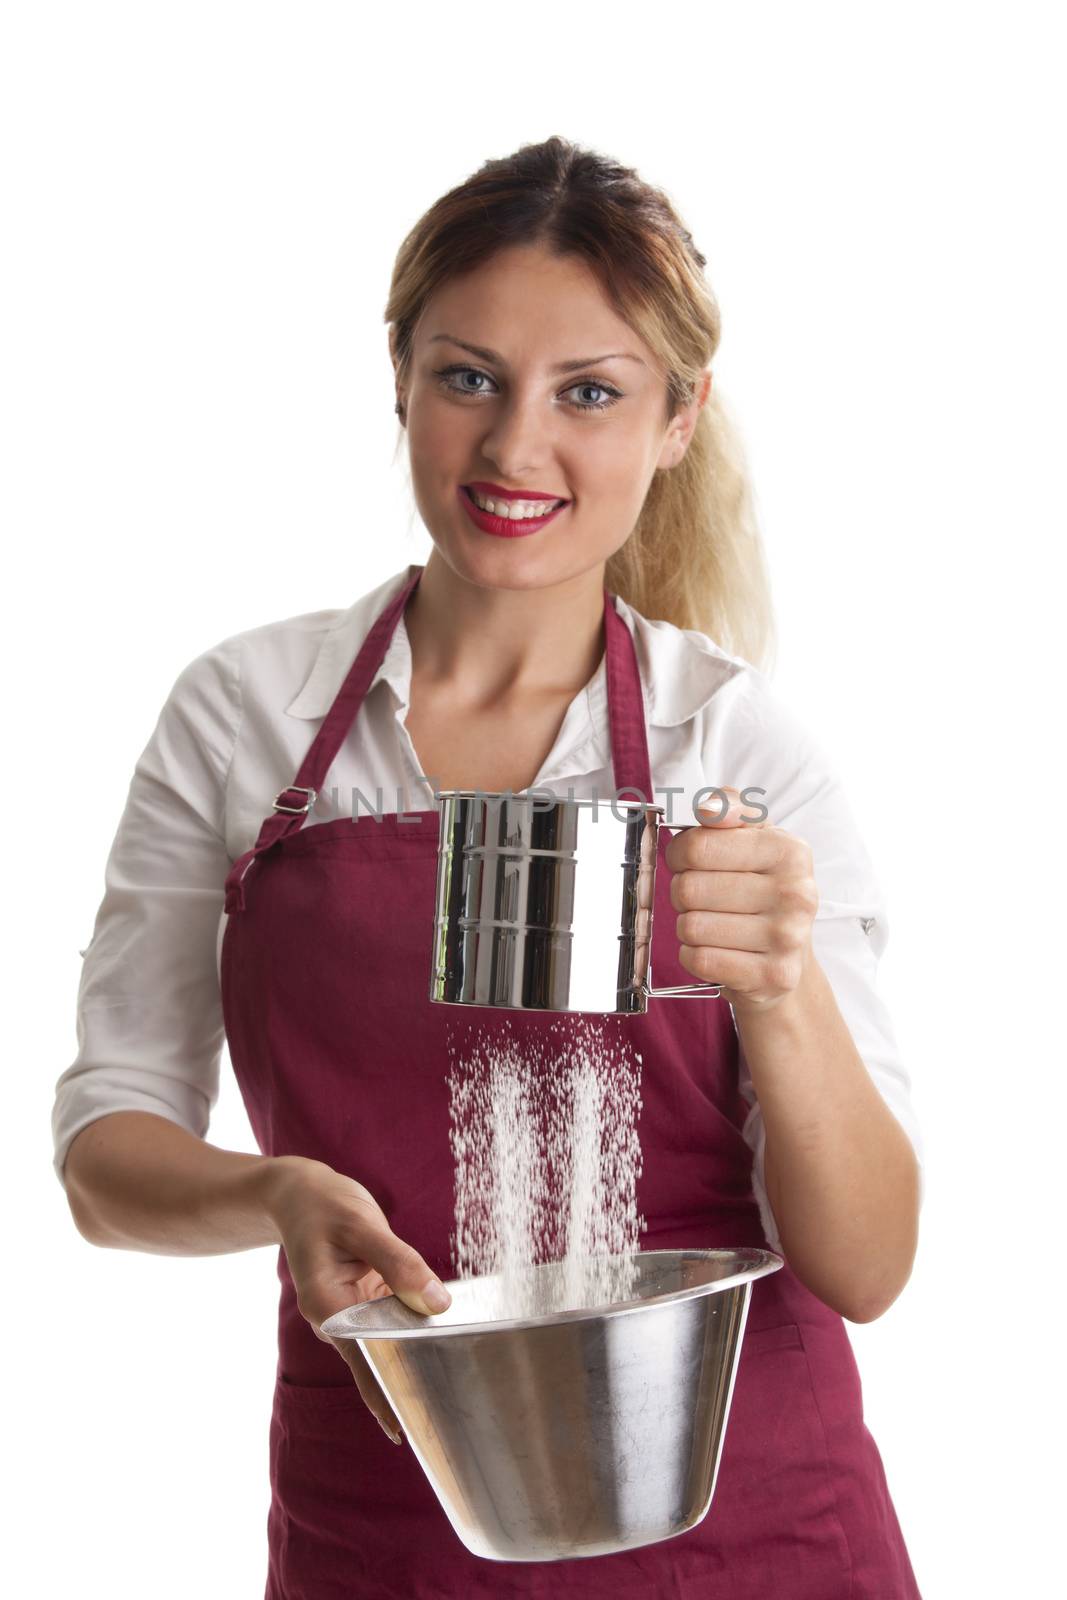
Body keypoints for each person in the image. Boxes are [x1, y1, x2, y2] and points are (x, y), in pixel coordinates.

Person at [52, 135, 924, 1598]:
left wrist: (778, 989)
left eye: (590, 393)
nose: (518, 450)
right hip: (388, 1524)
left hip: (753, 1529)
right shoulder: (248, 716)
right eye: (470, 378)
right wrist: (277, 1193)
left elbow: (870, 1266)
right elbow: (106, 1148)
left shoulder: (740, 751)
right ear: (399, 376)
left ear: (675, 419)